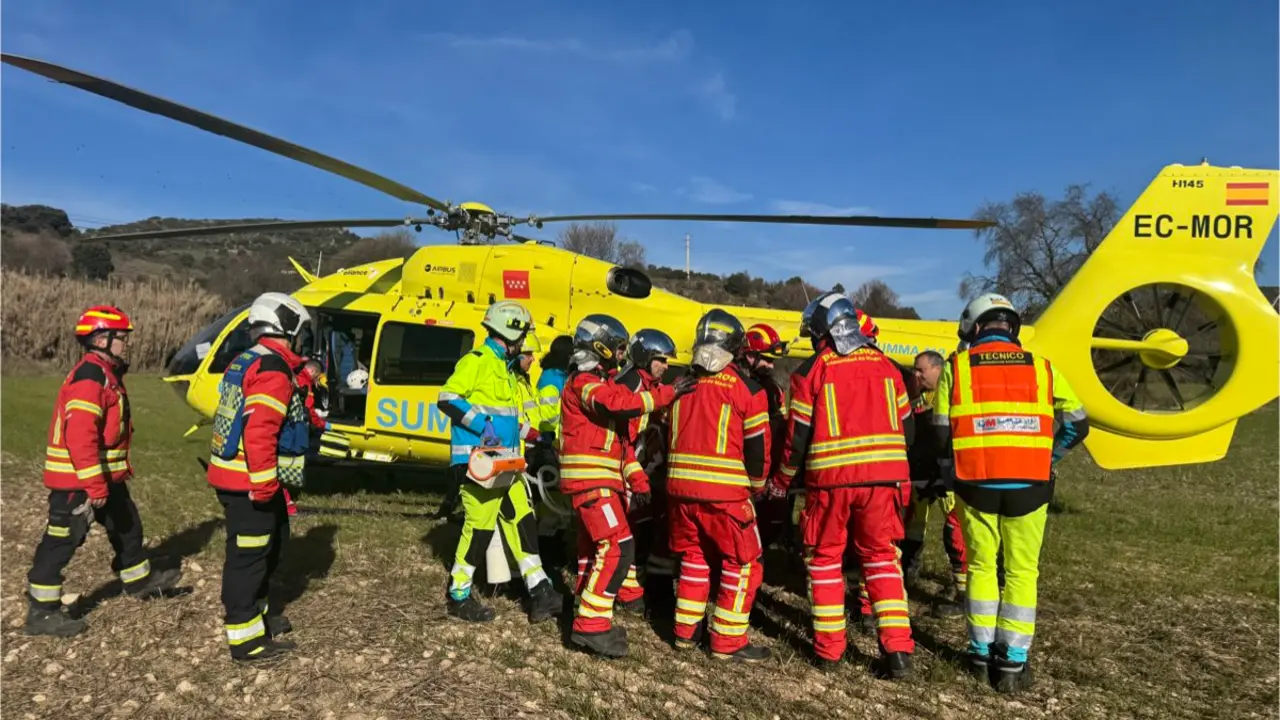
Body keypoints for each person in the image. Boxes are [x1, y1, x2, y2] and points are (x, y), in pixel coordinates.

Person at [934, 293, 1089, 693]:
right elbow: (1078, 423)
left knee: (981, 567)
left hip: (975, 485)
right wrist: (1051, 456)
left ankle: (979, 654)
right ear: (1012, 327)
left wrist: (948, 471)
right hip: (1030, 486)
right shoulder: (1043, 367)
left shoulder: (956, 368)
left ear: (975, 327)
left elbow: (940, 431)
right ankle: (1012, 662)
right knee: (1022, 572)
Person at [767, 293, 916, 678]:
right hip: (884, 481)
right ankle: (898, 653)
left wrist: (783, 480)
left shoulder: (810, 371)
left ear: (822, 331)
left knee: (824, 560)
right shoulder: (888, 367)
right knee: (882, 560)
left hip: (830, 483)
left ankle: (829, 652)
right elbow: (909, 430)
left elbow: (797, 438)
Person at [25, 305, 182, 638]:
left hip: (105, 477)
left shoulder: (106, 374)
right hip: (79, 481)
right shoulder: (91, 378)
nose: (127, 343)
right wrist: (95, 486)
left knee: (127, 526)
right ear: (101, 340)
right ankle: (42, 611)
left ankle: (138, 580)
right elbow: (80, 436)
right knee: (62, 541)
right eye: (121, 337)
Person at [558, 313, 691, 658]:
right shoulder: (585, 382)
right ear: (600, 347)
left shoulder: (600, 382)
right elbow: (618, 405)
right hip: (591, 481)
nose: (621, 355)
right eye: (617, 348)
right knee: (617, 546)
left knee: (593, 550)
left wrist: (637, 480)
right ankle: (590, 626)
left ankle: (587, 610)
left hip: (600, 480)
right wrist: (668, 394)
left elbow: (622, 446)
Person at [435, 301, 562, 624]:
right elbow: (448, 398)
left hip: (505, 464)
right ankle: (458, 595)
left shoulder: (505, 369)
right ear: (511, 332)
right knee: (479, 529)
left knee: (523, 520)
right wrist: (483, 427)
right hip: (478, 465)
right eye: (523, 335)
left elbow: (504, 420)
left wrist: (535, 435)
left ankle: (540, 591)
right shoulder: (477, 361)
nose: (525, 343)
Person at [207, 292, 314, 662]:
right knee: (249, 558)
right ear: (288, 329)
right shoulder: (272, 369)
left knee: (272, 545)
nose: (302, 341)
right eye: (301, 333)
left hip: (242, 477)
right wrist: (266, 484)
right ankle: (246, 640)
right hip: (249, 482)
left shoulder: (250, 359)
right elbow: (259, 431)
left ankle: (259, 616)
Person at [665, 309, 773, 661]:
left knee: (694, 559)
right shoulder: (748, 390)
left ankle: (685, 634)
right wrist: (756, 486)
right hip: (726, 494)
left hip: (679, 492)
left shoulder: (681, 383)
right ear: (737, 347)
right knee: (744, 563)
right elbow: (758, 449)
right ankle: (727, 642)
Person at [612, 329, 678, 615]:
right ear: (644, 357)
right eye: (660, 359)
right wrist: (636, 476)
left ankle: (637, 587)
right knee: (626, 531)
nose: (666, 365)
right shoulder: (630, 385)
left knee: (641, 527)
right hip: (621, 468)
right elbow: (622, 440)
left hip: (635, 466)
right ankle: (627, 594)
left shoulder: (648, 384)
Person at [901, 349, 967, 616]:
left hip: (945, 473)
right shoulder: (916, 395)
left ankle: (963, 592)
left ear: (938, 369)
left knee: (955, 531)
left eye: (921, 370)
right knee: (912, 526)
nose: (916, 375)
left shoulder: (952, 392)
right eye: (914, 370)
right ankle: (906, 577)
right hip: (920, 472)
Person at [740, 323, 791, 553]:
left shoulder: (774, 390)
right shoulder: (739, 386)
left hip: (764, 466)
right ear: (750, 356)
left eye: (773, 361)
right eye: (767, 360)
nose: (771, 366)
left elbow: (778, 430)